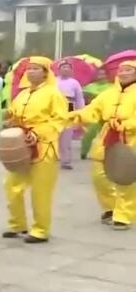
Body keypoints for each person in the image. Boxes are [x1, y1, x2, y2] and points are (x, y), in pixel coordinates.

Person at [2, 56, 68, 244]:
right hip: (21, 145)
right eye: (29, 68)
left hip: (43, 147)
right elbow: (16, 114)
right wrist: (9, 116)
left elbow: (60, 120)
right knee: (12, 186)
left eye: (36, 68)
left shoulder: (54, 94)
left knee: (40, 191)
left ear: (46, 73)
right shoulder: (22, 94)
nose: (30, 72)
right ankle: (17, 224)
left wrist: (38, 133)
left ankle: (40, 229)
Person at [70, 58, 136, 230]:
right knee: (98, 176)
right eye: (122, 70)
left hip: (130, 139)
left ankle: (123, 215)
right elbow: (93, 110)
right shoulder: (108, 93)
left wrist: (127, 125)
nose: (124, 73)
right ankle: (111, 207)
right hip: (107, 136)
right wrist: (77, 116)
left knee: (125, 178)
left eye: (128, 70)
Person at [56, 60, 85, 169]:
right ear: (59, 69)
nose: (65, 69)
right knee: (54, 133)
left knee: (67, 134)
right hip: (56, 106)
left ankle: (66, 161)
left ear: (71, 70)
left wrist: (80, 112)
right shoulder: (53, 81)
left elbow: (79, 98)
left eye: (68, 67)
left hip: (70, 105)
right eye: (63, 67)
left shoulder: (74, 82)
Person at [80, 67, 112, 160]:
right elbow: (84, 99)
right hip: (94, 115)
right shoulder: (90, 87)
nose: (101, 76)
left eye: (103, 74)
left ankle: (107, 153)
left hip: (108, 114)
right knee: (89, 134)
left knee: (107, 136)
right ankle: (84, 152)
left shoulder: (112, 87)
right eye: (99, 74)